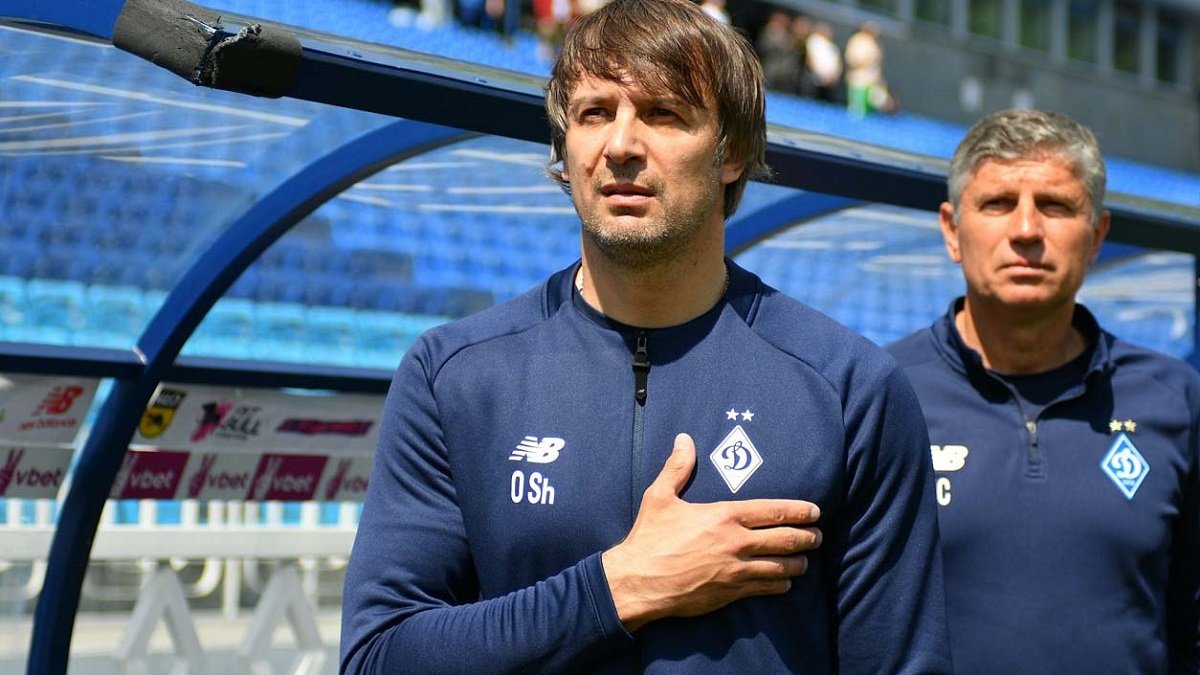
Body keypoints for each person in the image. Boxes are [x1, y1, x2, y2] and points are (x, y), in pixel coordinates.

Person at [341, 0, 951, 671]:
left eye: (663, 114)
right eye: (594, 114)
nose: (622, 145)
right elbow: (378, 656)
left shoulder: (847, 389)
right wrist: (621, 587)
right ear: (564, 153)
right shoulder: (455, 374)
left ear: (732, 152)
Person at [888, 109, 1200, 674]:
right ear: (952, 231)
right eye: (998, 203)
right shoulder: (882, 394)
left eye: (1056, 206)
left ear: (1097, 236)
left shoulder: (1176, 399)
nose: (1027, 230)